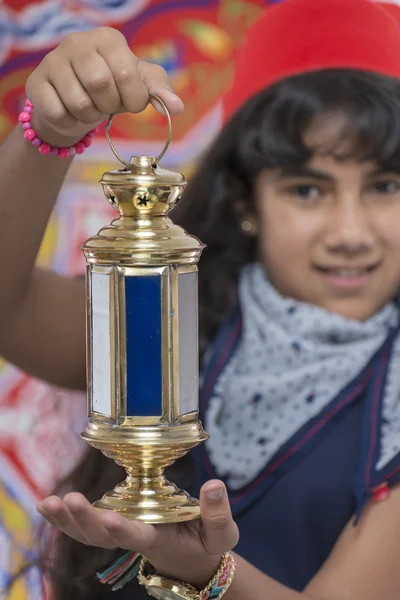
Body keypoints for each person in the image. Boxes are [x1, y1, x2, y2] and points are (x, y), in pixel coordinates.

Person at [2, 0, 400, 597]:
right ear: (246, 201)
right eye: (307, 189)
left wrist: (205, 569)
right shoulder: (173, 312)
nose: (350, 232)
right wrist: (49, 132)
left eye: (384, 186)